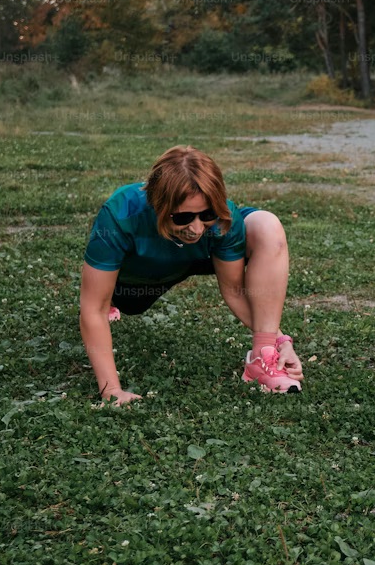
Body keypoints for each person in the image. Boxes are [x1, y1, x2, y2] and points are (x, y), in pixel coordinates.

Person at [79, 145, 305, 404]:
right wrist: (111, 390)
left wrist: (278, 341)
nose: (197, 229)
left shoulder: (222, 219)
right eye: (183, 217)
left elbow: (234, 291)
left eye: (206, 214)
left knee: (267, 227)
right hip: (134, 282)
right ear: (158, 205)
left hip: (195, 258)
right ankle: (115, 300)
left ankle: (261, 360)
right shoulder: (120, 213)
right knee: (120, 301)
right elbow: (92, 308)